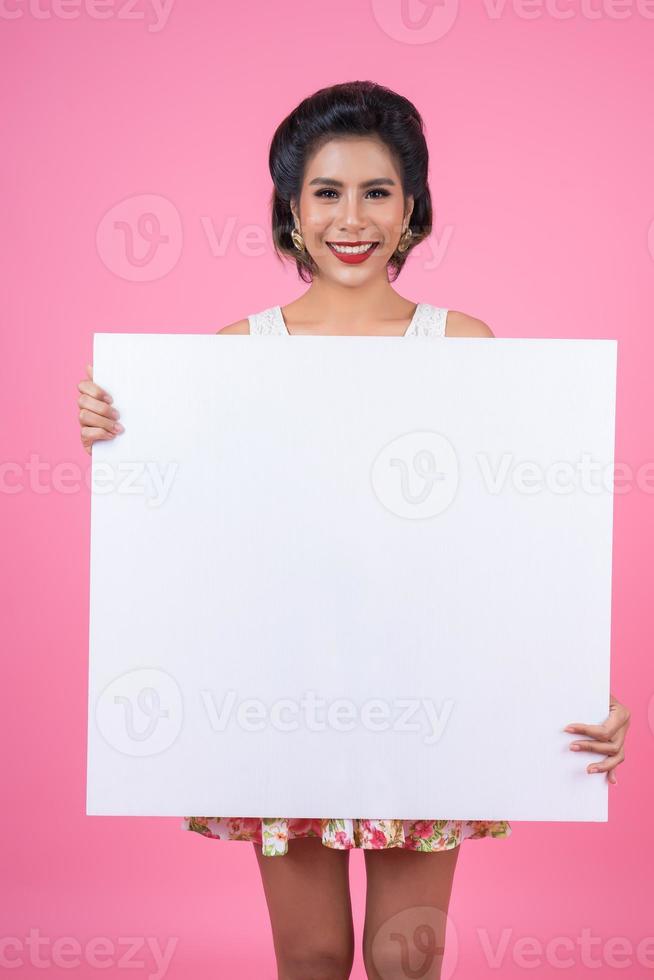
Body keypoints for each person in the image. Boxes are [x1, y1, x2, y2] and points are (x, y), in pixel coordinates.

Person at [77, 80, 631, 980]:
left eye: (377, 192)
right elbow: (193, 543)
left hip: (431, 701)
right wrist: (124, 431)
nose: (352, 218)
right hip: (281, 699)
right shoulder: (233, 355)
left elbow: (519, 545)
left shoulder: (463, 347)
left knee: (404, 961)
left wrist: (576, 689)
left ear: (412, 209)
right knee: (314, 955)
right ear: (291, 210)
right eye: (327, 192)